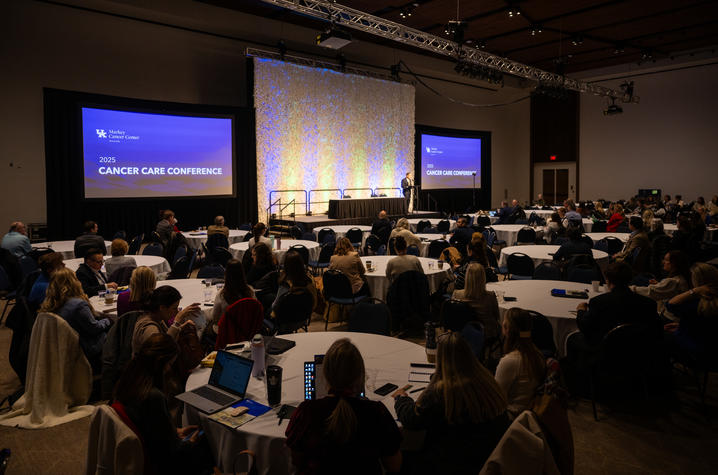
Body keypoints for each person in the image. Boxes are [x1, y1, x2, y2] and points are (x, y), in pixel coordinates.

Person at [393, 332, 509, 473]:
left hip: (451, 463)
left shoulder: (442, 393)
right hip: (487, 458)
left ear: (440, 358)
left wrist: (401, 398)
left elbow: (411, 419)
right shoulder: (486, 380)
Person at [286, 338, 402, 474]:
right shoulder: (376, 412)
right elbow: (394, 466)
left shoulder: (307, 411)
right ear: (360, 375)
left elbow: (296, 460)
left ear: (325, 374)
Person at [113, 333, 214, 475]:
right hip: (157, 461)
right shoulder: (153, 396)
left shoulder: (128, 380)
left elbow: (150, 427)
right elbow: (172, 453)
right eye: (169, 364)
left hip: (145, 447)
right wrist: (190, 442)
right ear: (161, 363)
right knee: (207, 444)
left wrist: (174, 431)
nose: (169, 370)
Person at [566, 262, 660, 373]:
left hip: (604, 350)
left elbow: (585, 327)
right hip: (638, 351)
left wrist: (581, 311)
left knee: (572, 338)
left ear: (608, 280)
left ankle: (578, 377)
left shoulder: (599, 302)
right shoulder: (648, 304)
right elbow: (656, 331)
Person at [40, 267, 112, 372]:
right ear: (73, 282)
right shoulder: (78, 305)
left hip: (64, 347)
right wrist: (107, 320)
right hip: (86, 348)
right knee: (116, 329)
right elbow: (94, 328)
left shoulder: (50, 303)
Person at [495, 308, 546, 419]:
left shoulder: (510, 361)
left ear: (506, 328)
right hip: (528, 412)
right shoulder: (537, 354)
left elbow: (496, 399)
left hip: (512, 417)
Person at [664, 263, 718, 363]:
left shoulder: (694, 305)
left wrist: (695, 290)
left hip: (696, 355)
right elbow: (705, 327)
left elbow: (670, 305)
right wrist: (683, 326)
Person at [132, 285, 201, 356]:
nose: (177, 312)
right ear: (162, 308)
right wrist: (176, 322)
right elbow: (163, 349)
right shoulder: (149, 328)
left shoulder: (158, 318)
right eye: (174, 308)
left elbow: (166, 336)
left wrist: (180, 328)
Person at [630, 250, 691, 321]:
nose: (663, 262)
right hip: (672, 314)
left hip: (669, 317)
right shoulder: (683, 277)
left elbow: (650, 292)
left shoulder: (672, 281)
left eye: (666, 260)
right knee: (641, 278)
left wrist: (630, 288)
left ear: (674, 263)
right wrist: (659, 284)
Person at [452, 263, 500, 339]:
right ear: (483, 277)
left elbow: (454, 316)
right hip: (486, 333)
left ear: (466, 277)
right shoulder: (490, 296)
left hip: (463, 331)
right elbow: (497, 316)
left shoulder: (456, 294)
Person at [211, 259, 256, 324]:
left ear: (226, 274)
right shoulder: (250, 291)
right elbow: (254, 311)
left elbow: (214, 317)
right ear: (242, 273)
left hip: (227, 331)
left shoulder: (222, 294)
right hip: (246, 329)